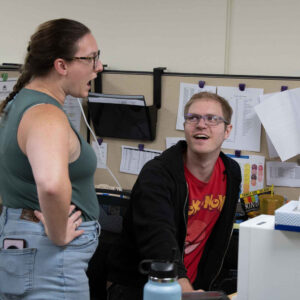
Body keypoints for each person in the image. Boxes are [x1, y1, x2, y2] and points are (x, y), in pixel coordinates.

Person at [0, 18, 103, 299]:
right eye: (91, 58)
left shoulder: (19, 104)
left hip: (28, 247)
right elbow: (51, 184)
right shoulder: (46, 115)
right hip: (51, 257)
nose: (99, 67)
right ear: (61, 65)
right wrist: (58, 234)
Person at [107, 92, 241, 300]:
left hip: (193, 287)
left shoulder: (230, 172)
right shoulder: (157, 175)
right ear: (185, 126)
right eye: (193, 118)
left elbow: (219, 239)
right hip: (142, 288)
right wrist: (185, 292)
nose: (201, 125)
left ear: (227, 130)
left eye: (212, 119)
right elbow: (158, 239)